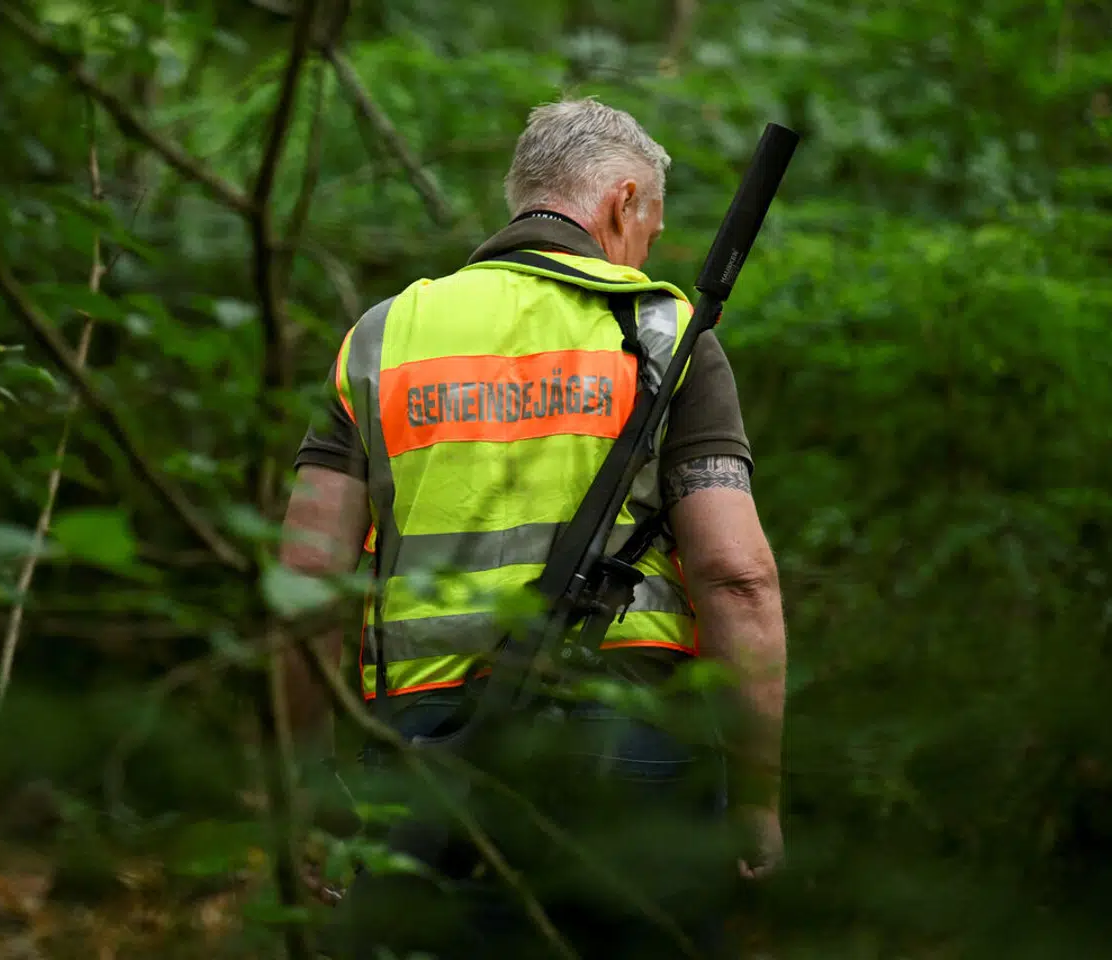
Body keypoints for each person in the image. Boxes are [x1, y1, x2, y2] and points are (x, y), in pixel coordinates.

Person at [279, 97, 788, 958]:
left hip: (419, 748)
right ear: (624, 203)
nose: (646, 254)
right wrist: (757, 798)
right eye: (651, 230)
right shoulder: (665, 334)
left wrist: (306, 789)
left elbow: (303, 590)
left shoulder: (382, 338)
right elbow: (738, 579)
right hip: (630, 740)